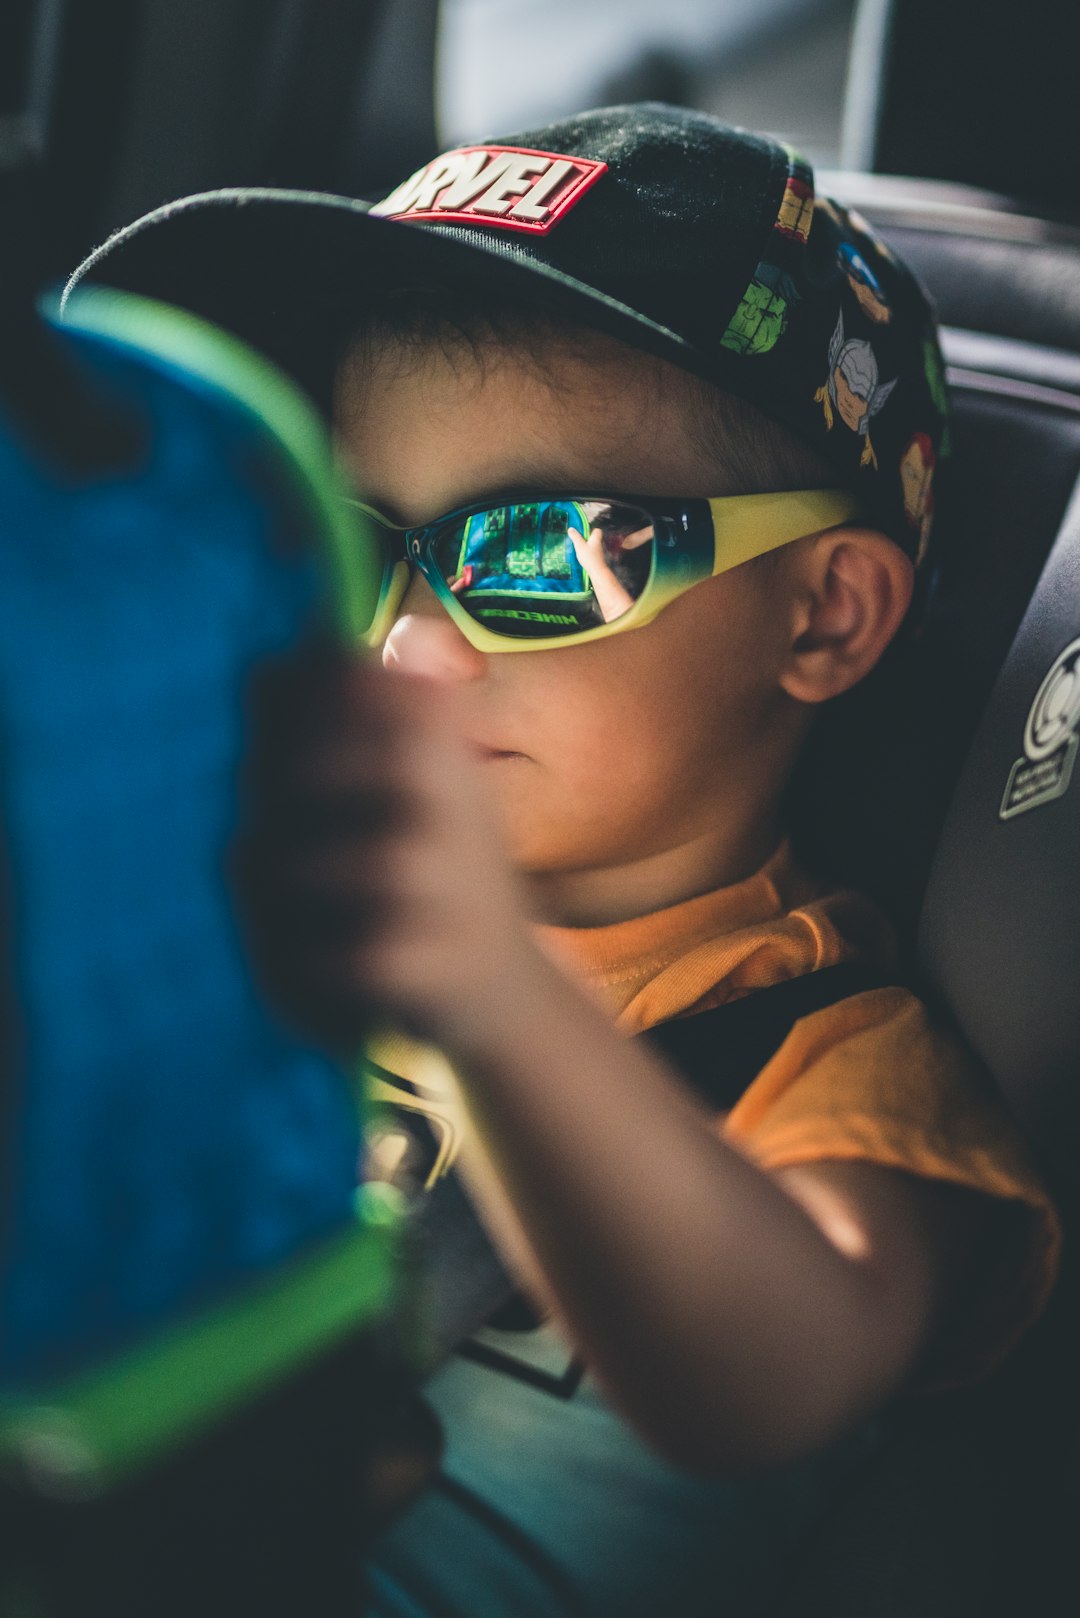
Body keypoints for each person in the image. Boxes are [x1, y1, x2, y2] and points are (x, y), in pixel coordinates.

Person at [70, 104, 1060, 1617]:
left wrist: (495, 995)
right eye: (348, 536)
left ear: (824, 617)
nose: (407, 642)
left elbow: (768, 1377)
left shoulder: (833, 1050)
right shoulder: (242, 900)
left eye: (539, 556)